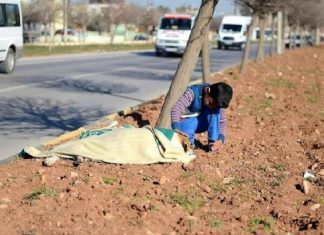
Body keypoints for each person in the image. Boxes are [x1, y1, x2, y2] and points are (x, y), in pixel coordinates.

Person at [171, 82, 233, 152]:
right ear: (207, 91)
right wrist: (177, 129)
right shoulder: (192, 93)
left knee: (215, 111)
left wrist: (220, 140)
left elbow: (222, 122)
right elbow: (176, 109)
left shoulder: (217, 102)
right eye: (210, 102)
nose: (211, 106)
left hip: (202, 122)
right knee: (186, 142)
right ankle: (191, 143)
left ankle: (213, 144)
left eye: (214, 105)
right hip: (186, 123)